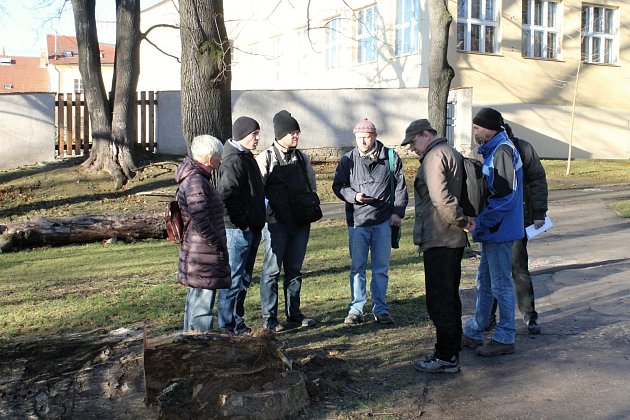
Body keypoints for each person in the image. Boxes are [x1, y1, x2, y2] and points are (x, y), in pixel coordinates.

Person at [401, 119, 474, 373]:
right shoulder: (450, 152)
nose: (411, 148)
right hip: (450, 238)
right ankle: (451, 348)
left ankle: (446, 357)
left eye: (413, 141)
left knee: (439, 299)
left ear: (425, 135)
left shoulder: (434, 156)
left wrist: (461, 220)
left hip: (440, 236)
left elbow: (441, 198)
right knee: (450, 297)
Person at [332, 117, 408, 325]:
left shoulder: (391, 158)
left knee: (381, 269)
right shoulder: (347, 160)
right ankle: (356, 309)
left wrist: (397, 213)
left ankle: (381, 309)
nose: (363, 142)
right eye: (359, 138)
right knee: (357, 268)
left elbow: (400, 187)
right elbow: (338, 185)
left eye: (366, 137)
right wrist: (353, 196)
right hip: (357, 222)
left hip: (383, 221)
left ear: (374, 136)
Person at [462, 107, 524, 356]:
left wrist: (483, 222)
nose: (475, 131)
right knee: (485, 282)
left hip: (499, 230)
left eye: (477, 127)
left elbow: (505, 197)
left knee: (499, 284)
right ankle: (474, 331)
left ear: (489, 128)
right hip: (495, 230)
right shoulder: (495, 150)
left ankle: (505, 337)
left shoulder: (502, 151)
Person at [256, 110, 317, 332]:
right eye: (292, 132)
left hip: (300, 223)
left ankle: (294, 313)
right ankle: (269, 318)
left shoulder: (302, 158)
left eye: (298, 132)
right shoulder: (266, 158)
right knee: (271, 272)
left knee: (294, 270)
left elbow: (311, 186)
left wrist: (310, 209)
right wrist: (268, 214)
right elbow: (258, 191)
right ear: (280, 134)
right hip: (276, 225)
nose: (296, 136)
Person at [487, 121, 548, 334]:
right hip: (492, 221)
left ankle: (530, 316)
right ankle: (488, 317)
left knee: (518, 268)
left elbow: (538, 180)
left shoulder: (522, 149)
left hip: (516, 219)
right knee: (491, 270)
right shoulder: (485, 150)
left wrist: (539, 212)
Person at [176, 134, 231, 331]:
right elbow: (200, 219)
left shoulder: (197, 179)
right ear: (209, 158)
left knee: (196, 301)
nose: (220, 160)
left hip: (200, 251)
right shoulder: (196, 182)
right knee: (201, 306)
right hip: (202, 254)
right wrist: (217, 243)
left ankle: (190, 344)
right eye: (218, 156)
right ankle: (200, 348)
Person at [218, 116, 267, 334]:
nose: (257, 139)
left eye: (258, 134)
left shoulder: (246, 157)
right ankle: (227, 327)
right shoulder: (233, 161)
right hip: (237, 231)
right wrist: (243, 224)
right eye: (254, 134)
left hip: (252, 228)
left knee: (244, 280)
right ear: (242, 135)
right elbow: (227, 198)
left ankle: (237, 323)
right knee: (234, 281)